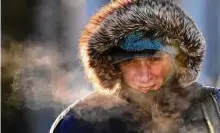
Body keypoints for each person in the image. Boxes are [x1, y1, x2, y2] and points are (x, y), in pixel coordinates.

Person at [50, 0, 220, 133]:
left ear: (178, 61)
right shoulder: (79, 124)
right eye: (131, 62)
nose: (145, 75)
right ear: (113, 66)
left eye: (154, 60)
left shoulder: (213, 108)